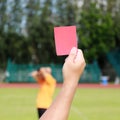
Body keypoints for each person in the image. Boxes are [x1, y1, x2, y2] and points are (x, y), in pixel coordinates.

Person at [40, 47, 86, 120]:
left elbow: (42, 72)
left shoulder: (50, 79)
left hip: (45, 104)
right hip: (42, 104)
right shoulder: (44, 80)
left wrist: (71, 80)